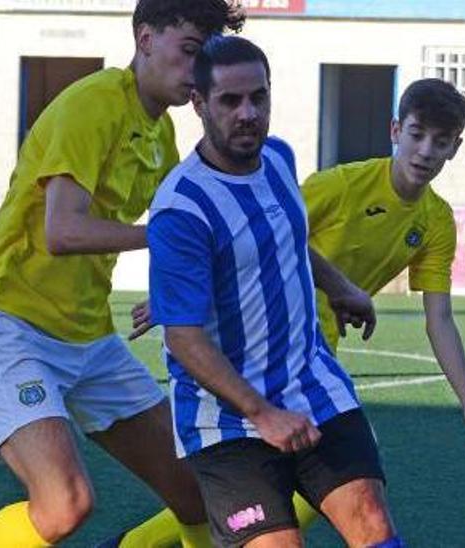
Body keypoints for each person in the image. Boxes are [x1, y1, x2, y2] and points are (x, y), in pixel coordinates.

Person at [0, 2, 245, 546]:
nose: (196, 71)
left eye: (205, 59)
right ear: (145, 39)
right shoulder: (93, 105)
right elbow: (62, 231)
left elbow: (180, 234)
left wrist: (171, 290)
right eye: (188, 52)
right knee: (64, 505)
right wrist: (161, 239)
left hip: (89, 338)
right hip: (10, 324)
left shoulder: (162, 141)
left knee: (197, 494)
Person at [147, 35, 401, 548]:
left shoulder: (279, 158)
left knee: (372, 524)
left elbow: (290, 236)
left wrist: (341, 286)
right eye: (230, 101)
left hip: (312, 387)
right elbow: (183, 339)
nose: (247, 113)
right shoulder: (181, 207)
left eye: (258, 98)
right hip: (227, 419)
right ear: (198, 103)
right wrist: (263, 414)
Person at [301, 78, 465, 454]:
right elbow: (261, 233)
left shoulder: (436, 221)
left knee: (327, 468)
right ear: (395, 131)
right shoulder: (341, 185)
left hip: (322, 345)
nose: (425, 151)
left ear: (454, 148)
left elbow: (439, 318)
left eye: (440, 142)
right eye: (416, 134)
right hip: (274, 337)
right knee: (353, 459)